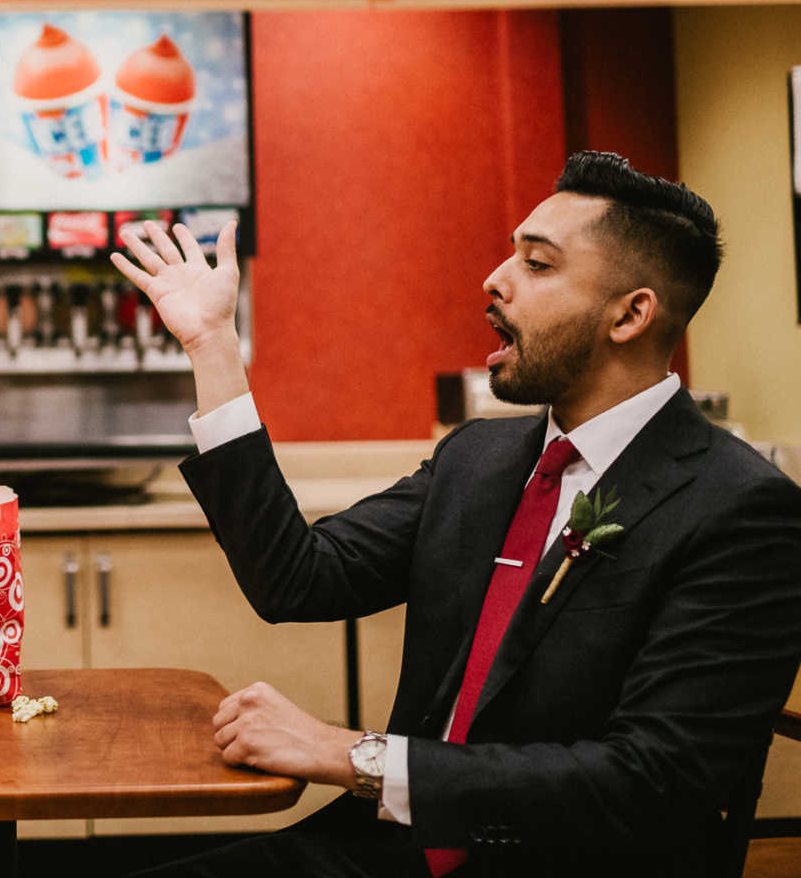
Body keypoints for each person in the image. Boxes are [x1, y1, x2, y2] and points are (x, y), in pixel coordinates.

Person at [112, 151, 801, 877]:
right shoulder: (479, 457)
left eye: (537, 265)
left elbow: (651, 782)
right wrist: (212, 346)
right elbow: (297, 578)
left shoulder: (742, 509)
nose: (494, 280)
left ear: (630, 314)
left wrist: (351, 755)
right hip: (394, 851)